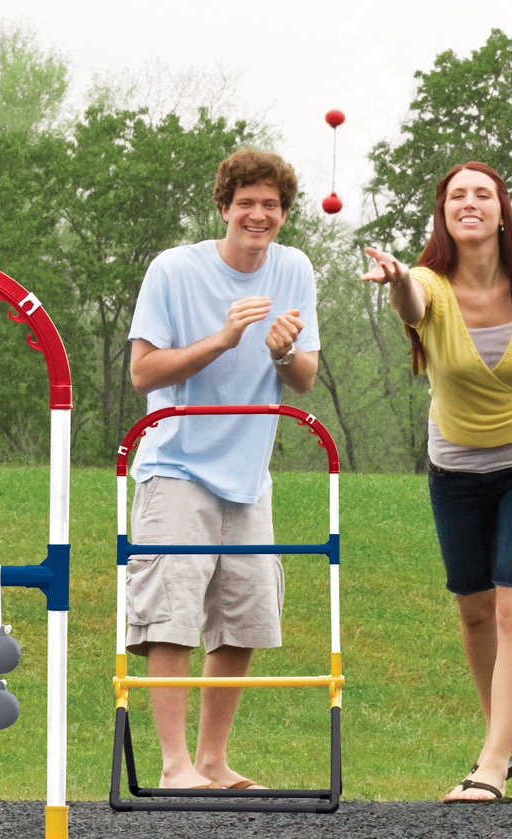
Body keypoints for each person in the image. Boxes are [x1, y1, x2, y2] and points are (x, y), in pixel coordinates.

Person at [361, 161, 512, 804]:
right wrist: (399, 279)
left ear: (501, 211)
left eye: (482, 194)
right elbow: (411, 304)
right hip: (456, 469)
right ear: (444, 214)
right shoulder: (428, 285)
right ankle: (505, 738)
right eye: (457, 195)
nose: (470, 202)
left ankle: (489, 765)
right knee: (475, 609)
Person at [126, 148, 320, 790]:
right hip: (175, 464)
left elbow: (305, 378)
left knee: (242, 615)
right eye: (247, 204)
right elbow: (142, 373)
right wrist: (221, 338)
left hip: (248, 474)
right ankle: (174, 765)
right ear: (224, 207)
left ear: (284, 214)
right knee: (172, 615)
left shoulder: (294, 269)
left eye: (271, 205)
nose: (258, 216)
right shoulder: (173, 270)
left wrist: (283, 350)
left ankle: (212, 762)